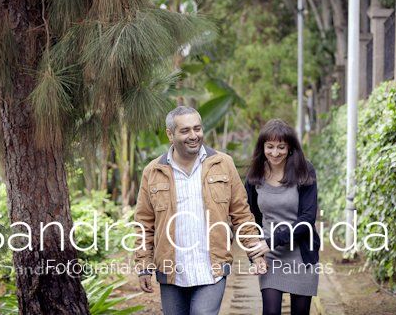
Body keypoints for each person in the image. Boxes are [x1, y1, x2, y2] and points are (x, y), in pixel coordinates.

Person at [134, 106, 267, 315]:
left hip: (211, 269)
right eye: (185, 130)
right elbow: (144, 223)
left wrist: (254, 251)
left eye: (197, 128)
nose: (194, 135)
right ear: (170, 134)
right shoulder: (153, 171)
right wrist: (143, 265)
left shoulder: (223, 164)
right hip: (171, 272)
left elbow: (241, 213)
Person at [245, 119, 320, 315]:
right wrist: (255, 255)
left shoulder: (304, 170)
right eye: (270, 147)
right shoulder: (255, 174)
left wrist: (272, 241)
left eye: (281, 147)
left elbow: (307, 218)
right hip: (270, 254)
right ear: (262, 147)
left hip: (301, 252)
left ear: (290, 148)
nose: (275, 153)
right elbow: (249, 218)